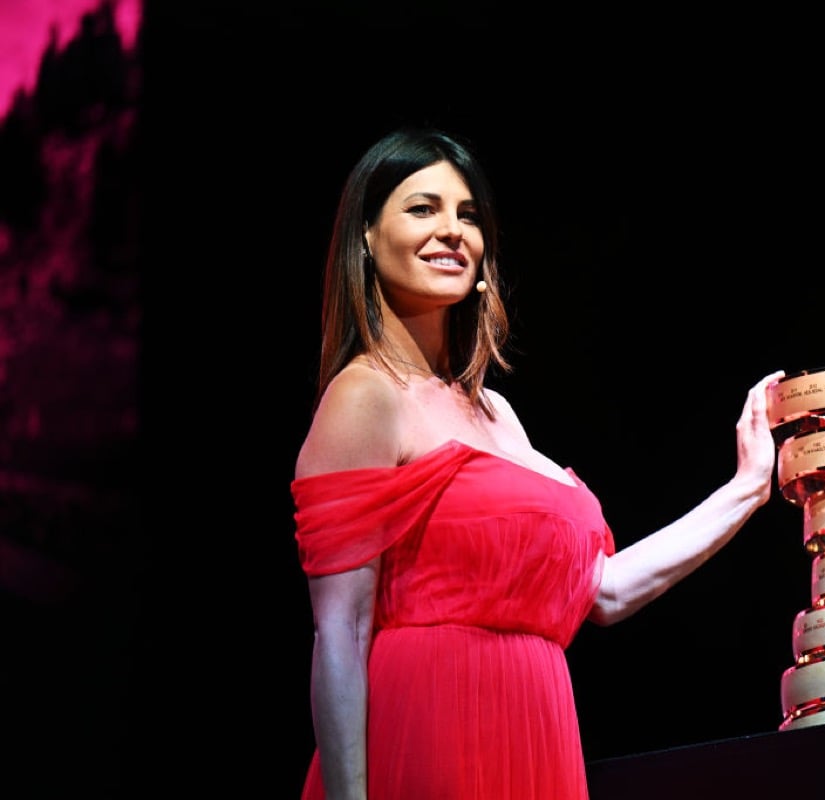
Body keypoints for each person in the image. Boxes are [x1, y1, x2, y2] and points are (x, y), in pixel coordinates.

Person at [291, 125, 785, 800]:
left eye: (467, 215)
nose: (452, 230)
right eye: (422, 208)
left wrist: (747, 488)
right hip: (427, 736)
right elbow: (341, 633)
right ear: (368, 238)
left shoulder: (496, 411)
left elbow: (601, 591)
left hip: (532, 744)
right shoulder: (367, 394)